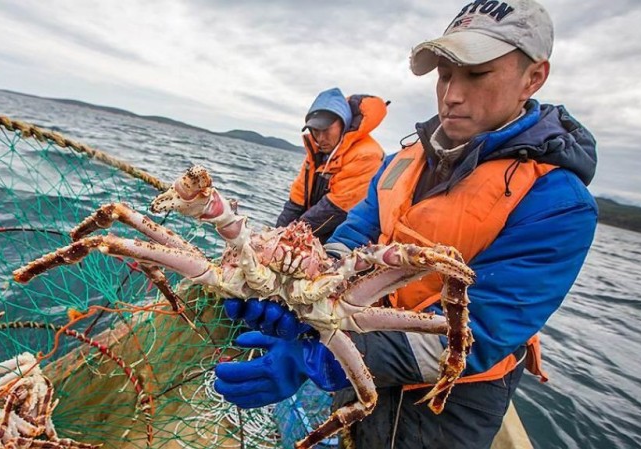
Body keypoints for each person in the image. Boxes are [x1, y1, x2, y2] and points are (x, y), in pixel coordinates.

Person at [215, 0, 598, 447]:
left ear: (533, 78)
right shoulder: (402, 161)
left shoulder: (559, 203)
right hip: (349, 340)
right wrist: (300, 301)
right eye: (445, 73)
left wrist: (323, 354)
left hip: (446, 407)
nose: (452, 94)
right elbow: (354, 235)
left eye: (476, 74)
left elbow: (482, 332)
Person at [276, 87, 387, 242]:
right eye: (315, 130)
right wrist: (276, 236)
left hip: (346, 242)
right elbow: (296, 201)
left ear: (343, 123)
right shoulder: (316, 154)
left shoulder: (367, 155)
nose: (320, 138)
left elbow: (334, 210)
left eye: (326, 130)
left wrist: (288, 238)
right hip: (313, 236)